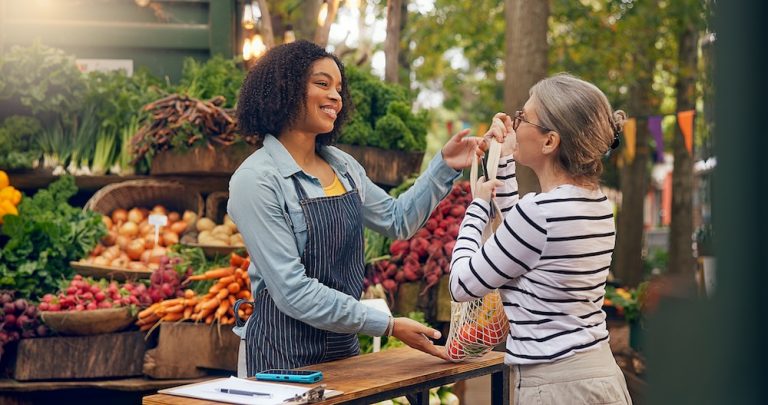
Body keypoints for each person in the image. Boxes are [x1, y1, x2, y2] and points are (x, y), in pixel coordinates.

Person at [228, 40, 482, 376]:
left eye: (339, 88)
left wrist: (445, 166)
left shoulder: (344, 168)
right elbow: (292, 292)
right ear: (284, 89)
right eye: (322, 84)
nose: (336, 96)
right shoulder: (256, 180)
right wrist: (388, 325)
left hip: (343, 349)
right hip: (281, 358)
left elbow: (398, 219)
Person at [449, 73, 632, 404]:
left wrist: (477, 206)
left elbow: (461, 285)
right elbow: (524, 238)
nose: (515, 124)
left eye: (523, 118)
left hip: (555, 386)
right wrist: (503, 159)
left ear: (549, 141)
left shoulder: (539, 214)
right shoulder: (597, 205)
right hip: (598, 374)